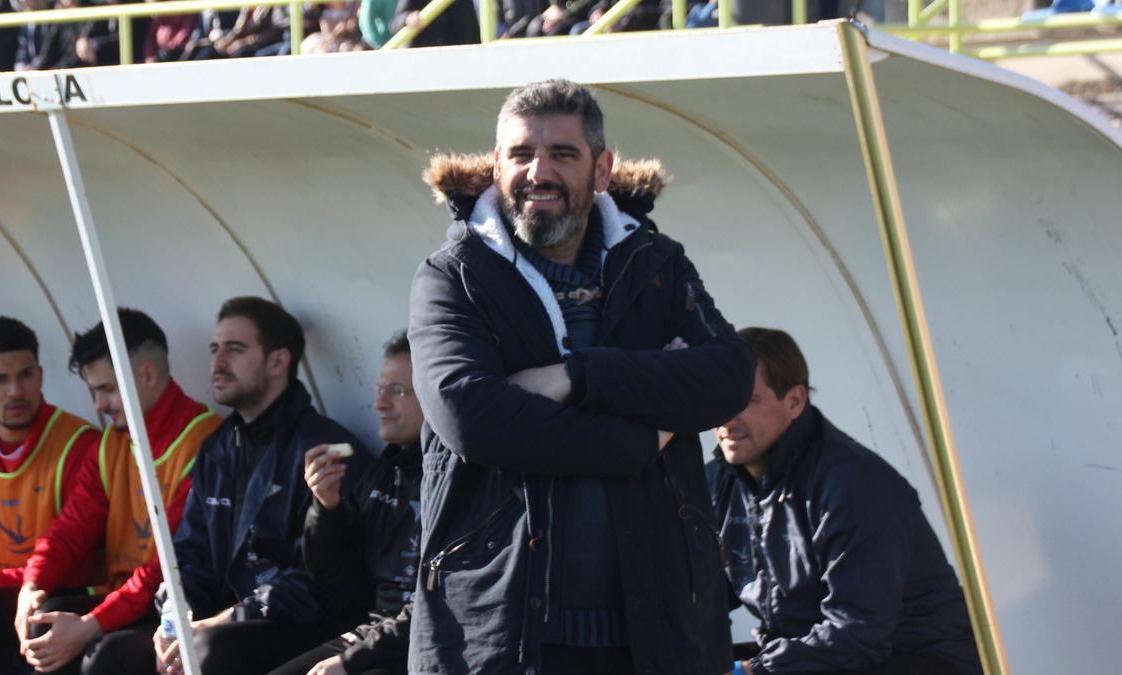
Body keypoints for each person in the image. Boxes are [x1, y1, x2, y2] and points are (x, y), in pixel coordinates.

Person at [408, 79, 755, 675]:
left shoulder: (655, 264)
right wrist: (641, 435)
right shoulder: (453, 276)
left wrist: (573, 377)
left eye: (562, 154)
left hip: (656, 629)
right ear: (497, 165)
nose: (538, 172)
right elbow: (472, 417)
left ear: (601, 169)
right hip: (500, 633)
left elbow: (727, 377)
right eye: (520, 154)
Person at [706, 327, 983, 675]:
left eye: (747, 400)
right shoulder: (717, 482)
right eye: (720, 399)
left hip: (912, 661)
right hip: (814, 656)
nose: (727, 419)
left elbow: (858, 633)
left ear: (795, 401)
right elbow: (696, 599)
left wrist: (751, 672)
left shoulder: (856, 485)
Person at [0, 309, 221, 675]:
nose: (99, 405)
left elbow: (168, 567)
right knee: (37, 622)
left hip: (172, 607)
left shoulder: (206, 444)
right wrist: (33, 584)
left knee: (102, 657)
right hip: (120, 595)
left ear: (147, 375)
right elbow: (70, 529)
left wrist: (91, 625)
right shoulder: (112, 444)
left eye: (106, 389)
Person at [154, 296, 369, 674]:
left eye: (235, 350)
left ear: (277, 362)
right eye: (214, 349)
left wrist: (220, 622)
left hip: (298, 626)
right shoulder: (217, 448)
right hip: (223, 620)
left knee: (207, 650)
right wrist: (176, 611)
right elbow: (190, 552)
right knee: (110, 655)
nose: (217, 363)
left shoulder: (324, 450)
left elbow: (314, 584)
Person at [0, 317, 100, 674]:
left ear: (41, 376)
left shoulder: (80, 444)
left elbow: (73, 561)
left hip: (55, 596)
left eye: (25, 375)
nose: (16, 391)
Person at [271, 329, 425, 675]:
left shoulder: (457, 480)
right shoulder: (380, 474)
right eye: (380, 390)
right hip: (371, 632)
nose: (380, 403)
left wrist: (348, 662)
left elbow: (436, 605)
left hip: (420, 643)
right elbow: (333, 583)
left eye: (397, 391)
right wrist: (325, 508)